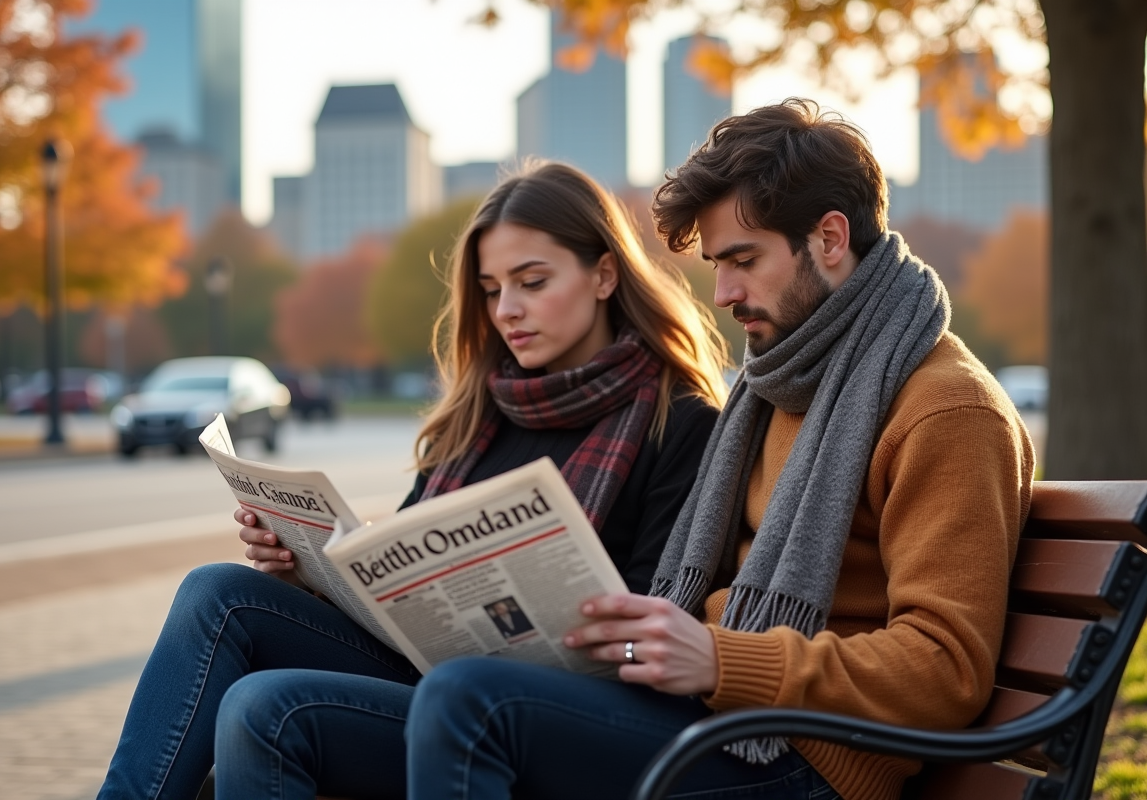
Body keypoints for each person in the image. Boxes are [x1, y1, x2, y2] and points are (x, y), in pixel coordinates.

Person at [397, 99, 1036, 800]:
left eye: (743, 260)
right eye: (716, 265)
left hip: (807, 758)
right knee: (286, 699)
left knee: (472, 701)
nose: (724, 292)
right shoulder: (784, 382)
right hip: (715, 720)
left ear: (828, 238)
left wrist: (723, 659)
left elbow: (946, 670)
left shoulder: (946, 409)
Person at [95, 161, 731, 800]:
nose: (507, 310)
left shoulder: (678, 421)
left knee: (264, 706)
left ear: (603, 275)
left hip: (545, 706)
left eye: (532, 282)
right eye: (490, 289)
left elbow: (663, 608)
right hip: (421, 670)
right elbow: (396, 565)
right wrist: (306, 571)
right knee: (219, 592)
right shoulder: (477, 412)